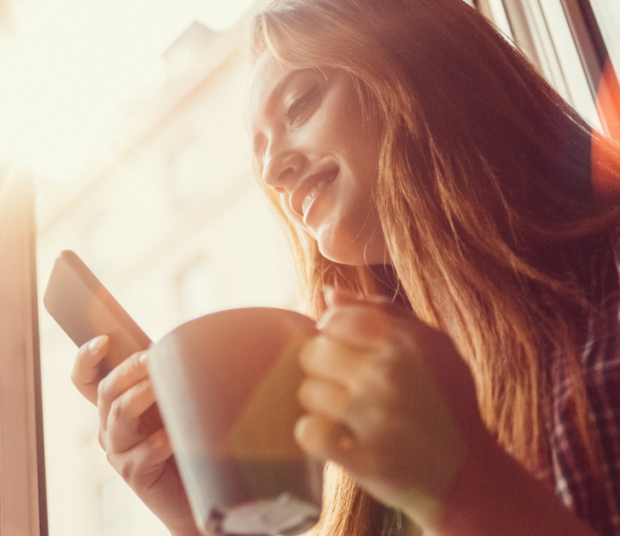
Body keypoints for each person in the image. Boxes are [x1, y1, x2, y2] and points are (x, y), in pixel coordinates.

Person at [70, 0, 620, 534]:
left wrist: (460, 487)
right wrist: (195, 521)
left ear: (421, 66)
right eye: (258, 151)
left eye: (300, 104)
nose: (272, 170)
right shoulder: (376, 411)